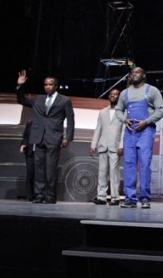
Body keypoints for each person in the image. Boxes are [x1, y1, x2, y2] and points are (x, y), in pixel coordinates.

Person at [16, 70, 75, 204]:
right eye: (45, 84)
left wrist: (67, 137)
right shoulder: (38, 99)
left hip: (54, 138)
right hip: (38, 137)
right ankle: (39, 195)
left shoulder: (64, 100)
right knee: (39, 169)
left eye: (50, 84)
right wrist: (20, 86)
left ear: (55, 86)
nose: (47, 86)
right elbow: (22, 100)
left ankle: (50, 196)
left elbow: (70, 120)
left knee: (50, 169)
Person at [115, 67, 163, 209]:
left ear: (143, 75)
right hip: (130, 132)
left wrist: (147, 121)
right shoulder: (125, 93)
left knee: (144, 164)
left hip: (146, 131)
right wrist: (124, 119)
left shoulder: (152, 90)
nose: (134, 75)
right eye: (132, 73)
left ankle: (144, 198)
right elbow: (118, 109)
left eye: (137, 72)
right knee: (129, 165)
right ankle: (130, 198)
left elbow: (161, 109)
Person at [89, 89, 124, 206]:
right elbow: (98, 129)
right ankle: (101, 197)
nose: (113, 96)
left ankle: (115, 197)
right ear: (109, 96)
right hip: (103, 145)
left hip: (115, 146)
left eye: (116, 94)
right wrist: (93, 145)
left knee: (114, 173)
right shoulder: (102, 112)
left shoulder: (124, 112)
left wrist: (121, 145)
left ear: (119, 97)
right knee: (102, 172)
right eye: (111, 94)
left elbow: (124, 131)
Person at [19, 120, 35, 201]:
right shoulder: (30, 123)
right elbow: (25, 135)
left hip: (42, 152)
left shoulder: (46, 122)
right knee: (30, 172)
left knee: (40, 174)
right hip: (30, 151)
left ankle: (39, 195)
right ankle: (30, 196)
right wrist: (23, 144)